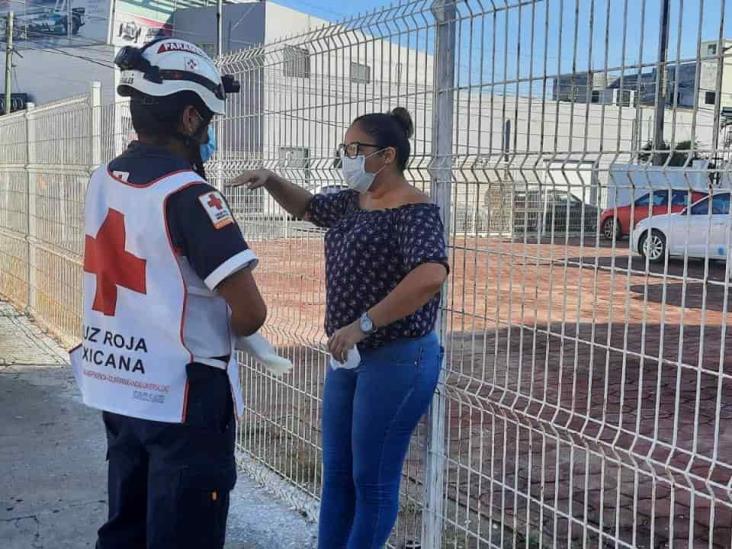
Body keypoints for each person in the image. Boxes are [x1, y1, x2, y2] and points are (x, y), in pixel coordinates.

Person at [69, 38, 267, 548]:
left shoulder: (103, 177)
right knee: (185, 533)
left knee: (127, 525)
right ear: (187, 119)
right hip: (182, 398)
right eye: (209, 119)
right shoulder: (190, 195)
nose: (211, 131)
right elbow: (249, 312)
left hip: (118, 383)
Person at [231, 107, 449, 548]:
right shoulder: (353, 201)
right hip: (348, 358)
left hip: (397, 357)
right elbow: (308, 207)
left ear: (386, 156)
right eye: (344, 149)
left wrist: (364, 324)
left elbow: (429, 275)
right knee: (338, 478)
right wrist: (271, 179)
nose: (345, 157)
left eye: (355, 149)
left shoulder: (416, 211)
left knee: (372, 480)